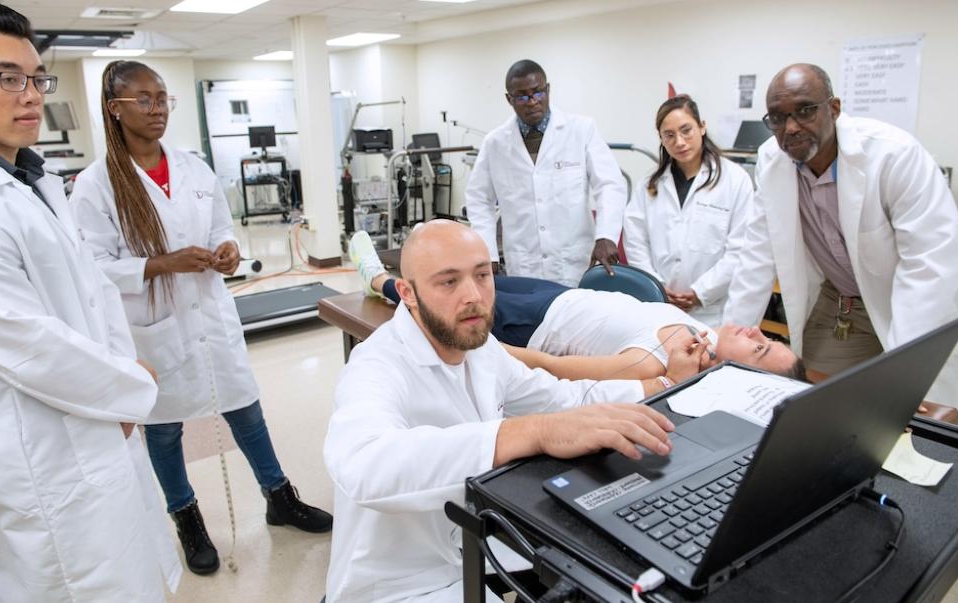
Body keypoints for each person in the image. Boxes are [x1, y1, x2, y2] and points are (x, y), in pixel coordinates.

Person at [0, 3, 180, 600]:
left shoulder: (32, 178)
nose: (30, 94)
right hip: (45, 459)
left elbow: (93, 292)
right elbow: (25, 344)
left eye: (35, 77)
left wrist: (123, 379)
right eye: (5, 77)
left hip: (99, 424)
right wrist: (130, 384)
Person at [325, 220, 688, 603]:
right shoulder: (376, 364)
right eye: (448, 282)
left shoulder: (481, 351)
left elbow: (562, 399)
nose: (474, 296)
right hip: (399, 583)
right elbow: (363, 465)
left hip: (468, 549)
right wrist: (529, 432)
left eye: (482, 275)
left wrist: (659, 389)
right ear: (407, 293)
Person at [70, 60, 331, 576]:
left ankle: (279, 497)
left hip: (209, 317)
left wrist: (228, 248)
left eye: (163, 97)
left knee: (246, 411)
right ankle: (186, 517)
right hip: (153, 328)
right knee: (164, 431)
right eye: (142, 99)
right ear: (113, 108)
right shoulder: (96, 185)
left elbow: (220, 225)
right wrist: (161, 264)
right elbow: (93, 268)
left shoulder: (193, 167)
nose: (157, 108)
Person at [722, 63, 958, 408]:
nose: (790, 127)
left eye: (804, 110)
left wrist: (900, 371)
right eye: (777, 117)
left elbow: (930, 267)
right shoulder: (771, 161)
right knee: (815, 404)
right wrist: (730, 345)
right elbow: (757, 255)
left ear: (833, 109)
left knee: (906, 413)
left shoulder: (893, 154)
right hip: (842, 301)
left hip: (910, 303)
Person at [348, 230, 803, 386]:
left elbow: (551, 367)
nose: (756, 333)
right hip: (558, 294)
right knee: (478, 274)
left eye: (760, 350)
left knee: (444, 295)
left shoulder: (656, 365)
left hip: (532, 326)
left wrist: (482, 346)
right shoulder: (701, 334)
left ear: (733, 375)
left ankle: (379, 279)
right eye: (771, 337)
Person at [466, 59, 627, 287]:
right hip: (523, 265)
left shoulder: (581, 130)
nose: (532, 102)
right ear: (509, 99)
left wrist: (607, 236)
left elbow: (610, 185)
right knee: (532, 322)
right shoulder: (495, 143)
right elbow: (479, 199)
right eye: (522, 96)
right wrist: (487, 253)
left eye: (537, 92)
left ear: (548, 89)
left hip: (576, 262)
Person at [623, 95, 754, 327]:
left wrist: (699, 292)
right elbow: (635, 243)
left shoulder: (735, 180)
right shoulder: (648, 185)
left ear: (702, 127)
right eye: (669, 135)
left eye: (686, 131)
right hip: (660, 307)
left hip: (713, 311)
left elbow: (740, 249)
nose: (680, 142)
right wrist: (656, 286)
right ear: (661, 139)